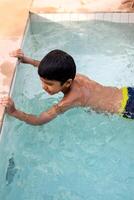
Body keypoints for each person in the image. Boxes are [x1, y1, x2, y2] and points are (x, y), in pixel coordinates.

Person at [0, 49, 134, 125]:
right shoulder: (75, 75)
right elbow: (48, 68)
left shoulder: (70, 100)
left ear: (68, 83)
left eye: (49, 84)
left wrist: (14, 112)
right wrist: (27, 60)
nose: (44, 87)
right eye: (42, 81)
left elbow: (39, 120)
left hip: (126, 109)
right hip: (126, 92)